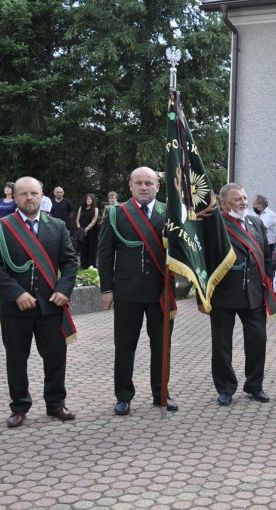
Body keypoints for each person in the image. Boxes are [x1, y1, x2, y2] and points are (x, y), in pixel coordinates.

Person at [0, 176, 79, 427]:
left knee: (56, 357)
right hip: (15, 309)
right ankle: (19, 407)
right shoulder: (0, 227)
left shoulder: (57, 226)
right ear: (14, 197)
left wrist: (64, 288)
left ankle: (56, 404)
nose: (29, 198)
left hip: (51, 305)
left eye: (33, 194)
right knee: (16, 358)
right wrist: (16, 293)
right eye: (23, 194)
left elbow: (70, 262)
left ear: (41, 196)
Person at [97, 167, 177, 415]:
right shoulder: (116, 214)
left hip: (160, 292)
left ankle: (161, 393)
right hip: (126, 291)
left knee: (162, 346)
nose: (144, 187)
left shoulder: (171, 213)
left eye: (149, 183)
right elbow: (105, 253)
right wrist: (107, 289)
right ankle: (123, 396)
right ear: (130, 185)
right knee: (124, 346)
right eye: (139, 183)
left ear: (157, 187)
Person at [202, 183, 274, 406]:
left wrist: (267, 284)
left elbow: (267, 256)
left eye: (244, 198)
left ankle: (254, 385)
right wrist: (201, 296)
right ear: (224, 203)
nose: (243, 202)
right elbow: (204, 261)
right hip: (223, 295)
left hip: (253, 293)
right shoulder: (215, 225)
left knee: (257, 341)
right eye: (237, 199)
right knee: (222, 344)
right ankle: (225, 388)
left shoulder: (256, 223)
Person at [76, 193, 100, 269]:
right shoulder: (81, 208)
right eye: (87, 199)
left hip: (92, 232)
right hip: (82, 231)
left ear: (92, 200)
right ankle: (83, 266)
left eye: (90, 199)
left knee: (92, 249)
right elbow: (77, 220)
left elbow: (94, 221)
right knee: (83, 249)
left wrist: (86, 229)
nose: (88, 200)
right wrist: (81, 229)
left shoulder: (95, 209)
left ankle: (91, 266)